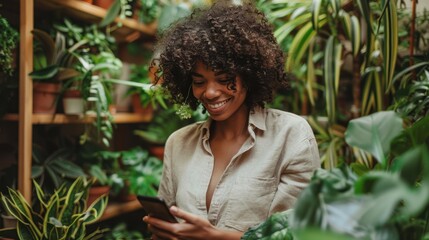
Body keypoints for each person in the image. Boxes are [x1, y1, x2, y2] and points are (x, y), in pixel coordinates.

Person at [143, 0, 321, 239]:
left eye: (224, 78)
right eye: (199, 81)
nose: (210, 92)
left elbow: (300, 233)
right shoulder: (179, 143)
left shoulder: (291, 135)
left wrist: (215, 236)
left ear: (249, 73)